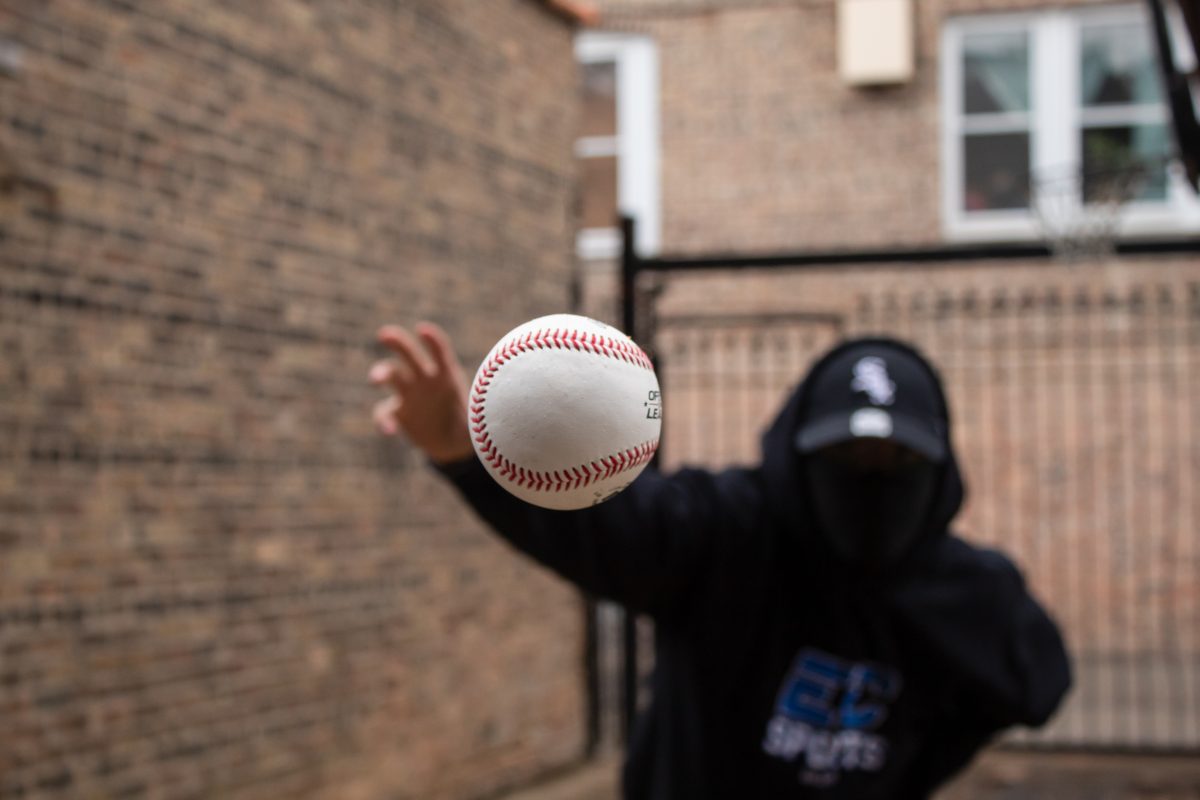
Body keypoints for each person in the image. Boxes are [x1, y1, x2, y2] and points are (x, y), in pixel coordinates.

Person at [369, 322, 1072, 800]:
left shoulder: (966, 592)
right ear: (798, 455)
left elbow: (1031, 684)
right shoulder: (728, 532)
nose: (871, 480)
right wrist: (466, 459)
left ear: (937, 472)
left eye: (898, 462)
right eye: (846, 458)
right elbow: (608, 527)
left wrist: (911, 770)